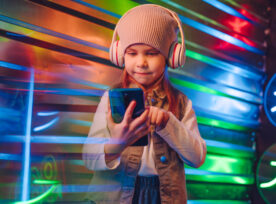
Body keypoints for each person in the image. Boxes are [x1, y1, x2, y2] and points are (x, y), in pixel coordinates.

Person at [82, 4, 206, 204]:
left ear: (171, 55)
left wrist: (169, 123)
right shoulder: (110, 97)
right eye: (132, 53)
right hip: (115, 196)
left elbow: (197, 158)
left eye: (151, 53)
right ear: (119, 54)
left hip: (163, 197)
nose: (141, 62)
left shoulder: (182, 103)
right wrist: (115, 145)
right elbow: (88, 158)